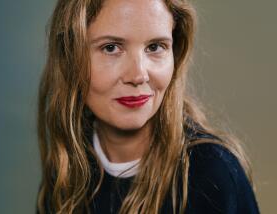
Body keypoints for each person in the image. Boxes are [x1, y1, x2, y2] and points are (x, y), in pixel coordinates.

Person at [36, 0, 260, 213]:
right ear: (69, 57)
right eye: (111, 48)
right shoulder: (67, 166)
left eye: (155, 46)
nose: (138, 75)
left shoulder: (213, 173)